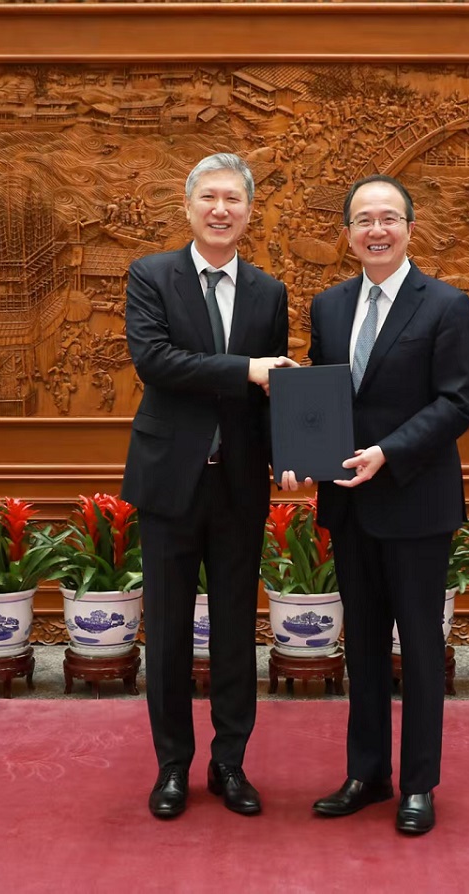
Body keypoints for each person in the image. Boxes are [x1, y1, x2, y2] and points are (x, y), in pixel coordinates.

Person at [282, 174, 469, 834]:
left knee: (419, 647)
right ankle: (367, 774)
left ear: (409, 229)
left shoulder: (445, 305)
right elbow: (321, 397)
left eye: (388, 218)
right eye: (363, 220)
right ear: (347, 235)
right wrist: (300, 457)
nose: (376, 229)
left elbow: (457, 402)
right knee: (362, 646)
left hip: (416, 501)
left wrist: (388, 452)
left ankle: (418, 784)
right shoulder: (329, 306)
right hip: (350, 505)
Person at [121, 153, 290, 820]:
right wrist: (245, 368)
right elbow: (155, 361)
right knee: (166, 631)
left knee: (234, 630)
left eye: (233, 199)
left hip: (240, 484)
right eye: (209, 198)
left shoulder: (268, 292)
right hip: (170, 479)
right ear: (188, 208)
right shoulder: (151, 275)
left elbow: (273, 392)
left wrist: (289, 455)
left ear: (249, 212)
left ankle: (230, 763)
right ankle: (172, 766)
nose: (221, 210)